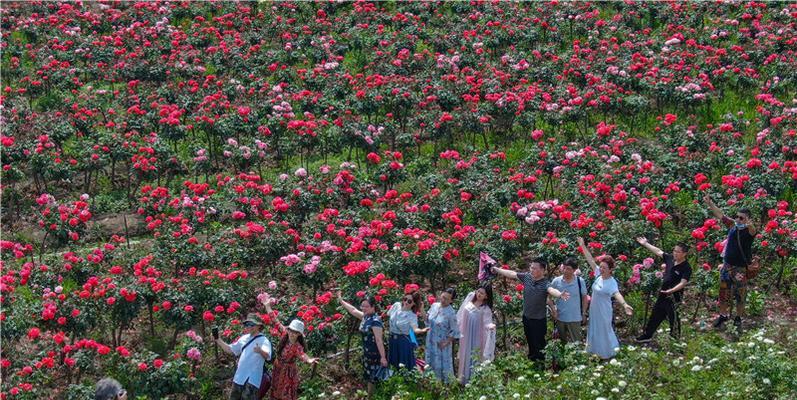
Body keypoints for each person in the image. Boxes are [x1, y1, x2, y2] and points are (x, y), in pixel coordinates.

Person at [491, 256, 570, 362]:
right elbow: (512, 274)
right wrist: (497, 269)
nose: (531, 270)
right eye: (531, 267)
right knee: (530, 342)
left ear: (542, 270)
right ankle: (532, 362)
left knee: (539, 344)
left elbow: (551, 290)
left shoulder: (545, 283)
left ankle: (540, 365)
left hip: (538, 321)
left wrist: (560, 294)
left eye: (534, 268)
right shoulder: (527, 277)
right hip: (526, 318)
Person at [704, 194, 757, 331]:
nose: (738, 219)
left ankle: (738, 318)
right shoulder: (733, 226)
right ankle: (723, 315)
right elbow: (720, 215)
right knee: (723, 292)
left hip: (740, 268)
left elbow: (753, 230)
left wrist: (749, 223)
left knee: (740, 294)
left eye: (741, 218)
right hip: (727, 266)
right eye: (737, 216)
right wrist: (710, 204)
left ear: (747, 219)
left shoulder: (749, 231)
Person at [577, 237, 633, 359]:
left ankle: (607, 353)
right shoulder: (598, 275)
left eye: (604, 268)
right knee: (594, 328)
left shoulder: (611, 282)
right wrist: (582, 245)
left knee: (604, 330)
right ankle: (593, 351)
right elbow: (590, 260)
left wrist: (624, 305)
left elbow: (617, 294)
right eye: (601, 267)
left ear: (611, 270)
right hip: (594, 309)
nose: (601, 269)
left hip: (604, 311)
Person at [261, 294, 318, 400]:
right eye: (291, 330)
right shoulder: (284, 334)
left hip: (288, 373)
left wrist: (309, 360)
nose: (292, 333)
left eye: (295, 332)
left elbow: (302, 355)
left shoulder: (297, 346)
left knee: (286, 393)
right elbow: (275, 320)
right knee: (275, 390)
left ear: (299, 334)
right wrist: (268, 306)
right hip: (278, 367)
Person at [635, 238, 692, 342]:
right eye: (674, 251)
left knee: (673, 317)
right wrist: (645, 243)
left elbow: (683, 282)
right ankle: (647, 335)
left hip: (674, 296)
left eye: (678, 252)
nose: (675, 253)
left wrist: (672, 290)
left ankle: (675, 339)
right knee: (656, 314)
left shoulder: (686, 267)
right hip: (663, 294)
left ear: (684, 254)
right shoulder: (670, 259)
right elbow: (658, 251)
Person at [337, 292, 389, 396]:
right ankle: (372, 396)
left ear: (373, 307)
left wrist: (383, 357)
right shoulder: (365, 317)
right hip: (367, 353)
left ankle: (375, 396)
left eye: (367, 306)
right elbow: (353, 310)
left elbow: (379, 340)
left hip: (375, 354)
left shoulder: (375, 321)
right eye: (362, 306)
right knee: (370, 378)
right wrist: (341, 300)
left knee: (374, 378)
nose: (364, 308)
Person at [216, 313, 273, 400]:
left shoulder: (263, 340)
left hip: (252, 380)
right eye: (247, 324)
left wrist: (260, 351)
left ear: (259, 326)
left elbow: (268, 356)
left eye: (252, 324)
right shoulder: (244, 338)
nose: (249, 326)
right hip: (239, 378)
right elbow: (231, 350)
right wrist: (218, 339)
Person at [456, 284, 496, 384]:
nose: (479, 294)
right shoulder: (469, 300)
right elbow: (460, 315)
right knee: (465, 353)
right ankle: (463, 379)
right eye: (478, 291)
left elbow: (487, 323)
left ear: (486, 296)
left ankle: (473, 381)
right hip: (465, 335)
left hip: (477, 337)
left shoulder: (485, 309)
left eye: (482, 293)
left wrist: (490, 326)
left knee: (474, 355)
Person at [425, 288, 461, 383]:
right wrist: (420, 308)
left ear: (451, 301)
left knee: (441, 365)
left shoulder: (451, 313)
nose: (443, 300)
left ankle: (444, 386)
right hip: (430, 340)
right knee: (430, 361)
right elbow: (427, 320)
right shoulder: (434, 306)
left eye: (447, 299)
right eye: (443, 297)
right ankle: (431, 382)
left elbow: (455, 331)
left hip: (442, 343)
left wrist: (446, 342)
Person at [550, 257, 589, 343]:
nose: (565, 271)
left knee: (576, 343)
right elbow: (548, 297)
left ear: (574, 270)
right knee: (561, 343)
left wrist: (584, 313)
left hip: (575, 318)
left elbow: (584, 298)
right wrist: (553, 309)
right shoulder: (556, 281)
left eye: (568, 269)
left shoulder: (580, 281)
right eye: (564, 268)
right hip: (560, 318)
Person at [387, 291, 429, 370]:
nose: (406, 302)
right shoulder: (396, 305)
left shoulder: (412, 315)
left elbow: (415, 329)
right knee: (392, 364)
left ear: (414, 304)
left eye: (409, 301)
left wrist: (422, 330)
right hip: (392, 340)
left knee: (403, 366)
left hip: (403, 342)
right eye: (405, 299)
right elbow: (388, 315)